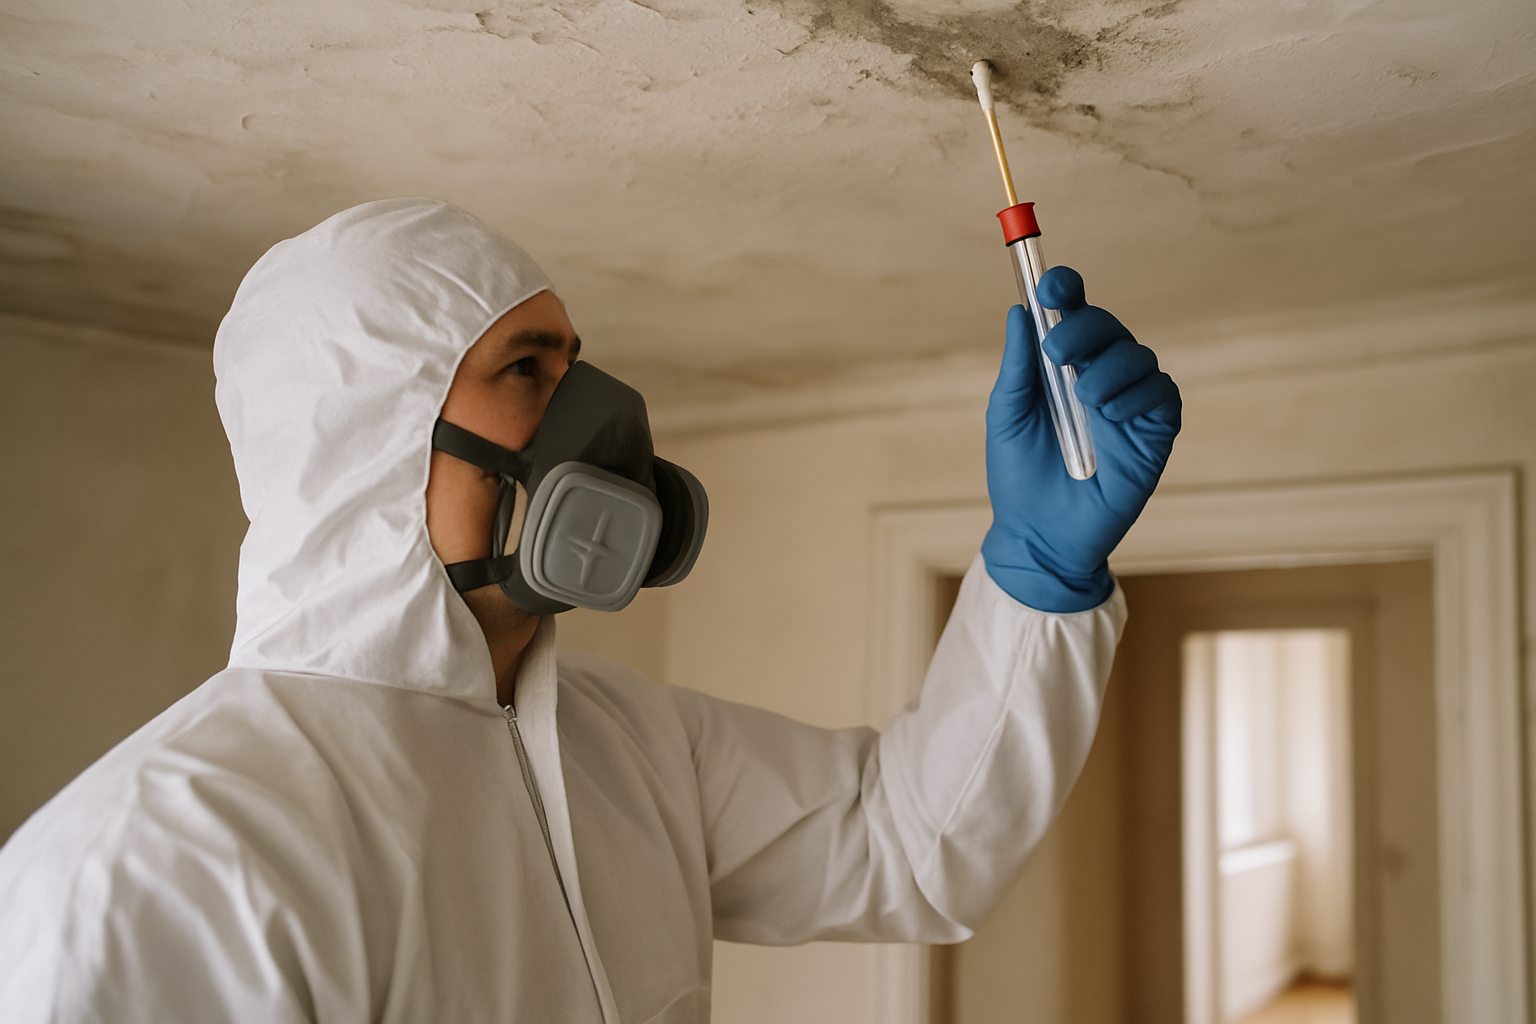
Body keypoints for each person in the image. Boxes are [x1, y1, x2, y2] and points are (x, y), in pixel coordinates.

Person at [0, 198, 1179, 1022]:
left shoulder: (630, 740)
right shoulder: (157, 864)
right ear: (372, 438)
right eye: (530, 369)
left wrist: (1035, 573)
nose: (602, 415)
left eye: (579, 364)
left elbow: (908, 848)